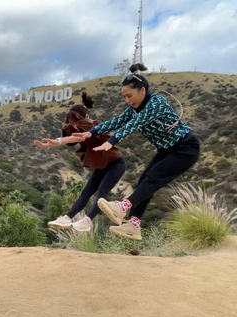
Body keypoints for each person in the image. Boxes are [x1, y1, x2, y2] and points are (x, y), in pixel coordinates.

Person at [73, 63, 200, 240]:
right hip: (166, 149)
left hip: (185, 148)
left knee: (153, 177)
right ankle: (134, 225)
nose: (127, 100)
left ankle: (123, 207)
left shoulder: (156, 103)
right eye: (124, 97)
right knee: (143, 180)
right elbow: (116, 121)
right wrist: (91, 132)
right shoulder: (133, 109)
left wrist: (112, 141)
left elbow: (136, 123)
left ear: (142, 90)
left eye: (129, 95)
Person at [34, 92, 125, 232]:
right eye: (72, 123)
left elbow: (78, 138)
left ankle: (87, 221)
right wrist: (50, 144)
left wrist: (58, 142)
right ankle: (67, 217)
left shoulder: (97, 126)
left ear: (87, 117)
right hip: (101, 166)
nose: (75, 126)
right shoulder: (80, 129)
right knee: (86, 192)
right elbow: (72, 136)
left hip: (116, 164)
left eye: (77, 122)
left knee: (101, 193)